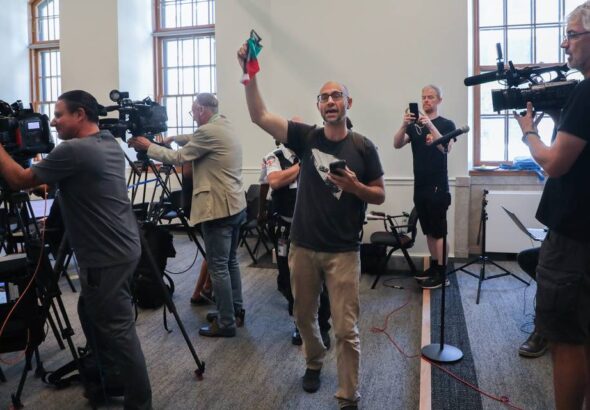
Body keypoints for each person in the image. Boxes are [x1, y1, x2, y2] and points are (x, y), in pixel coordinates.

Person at [239, 45, 385, 410]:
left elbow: (379, 195)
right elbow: (259, 114)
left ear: (349, 103)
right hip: (303, 245)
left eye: (337, 95)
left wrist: (356, 188)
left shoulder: (364, 147)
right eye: (324, 97)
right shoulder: (307, 138)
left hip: (343, 252)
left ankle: (348, 395)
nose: (331, 101)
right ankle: (314, 360)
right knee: (303, 316)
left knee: (346, 328)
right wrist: (249, 74)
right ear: (318, 106)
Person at [0, 90, 152, 409]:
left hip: (104, 255)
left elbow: (19, 180)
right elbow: (61, 181)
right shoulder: (107, 141)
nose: (53, 122)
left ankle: (139, 403)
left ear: (80, 114)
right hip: (124, 247)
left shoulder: (74, 151)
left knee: (119, 331)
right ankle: (105, 375)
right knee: (89, 309)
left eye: (59, 115)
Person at [514, 3, 590, 408]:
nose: (565, 43)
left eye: (572, 34)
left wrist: (529, 133)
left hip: (574, 235)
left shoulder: (587, 90)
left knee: (565, 338)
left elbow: (555, 162)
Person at [129, 93, 246, 338]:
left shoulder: (207, 132)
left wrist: (147, 147)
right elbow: (194, 139)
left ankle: (225, 322)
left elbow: (179, 157)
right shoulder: (224, 125)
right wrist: (172, 137)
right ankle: (234, 310)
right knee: (230, 262)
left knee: (218, 268)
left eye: (193, 112)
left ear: (202, 109)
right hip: (235, 205)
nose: (192, 116)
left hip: (218, 209)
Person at [260, 141, 331, 348]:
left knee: (320, 279)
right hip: (285, 226)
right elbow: (274, 181)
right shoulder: (274, 156)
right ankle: (299, 324)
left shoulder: (317, 155)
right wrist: (302, 167)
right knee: (288, 278)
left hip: (313, 229)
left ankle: (322, 326)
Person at [392, 85, 456, 289]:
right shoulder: (414, 126)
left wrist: (430, 125)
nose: (426, 101)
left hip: (438, 186)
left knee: (439, 232)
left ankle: (443, 273)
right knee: (428, 230)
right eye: (424, 98)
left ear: (439, 100)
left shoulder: (446, 124)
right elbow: (397, 144)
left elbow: (444, 147)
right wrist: (403, 125)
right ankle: (435, 266)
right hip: (420, 186)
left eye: (430, 97)